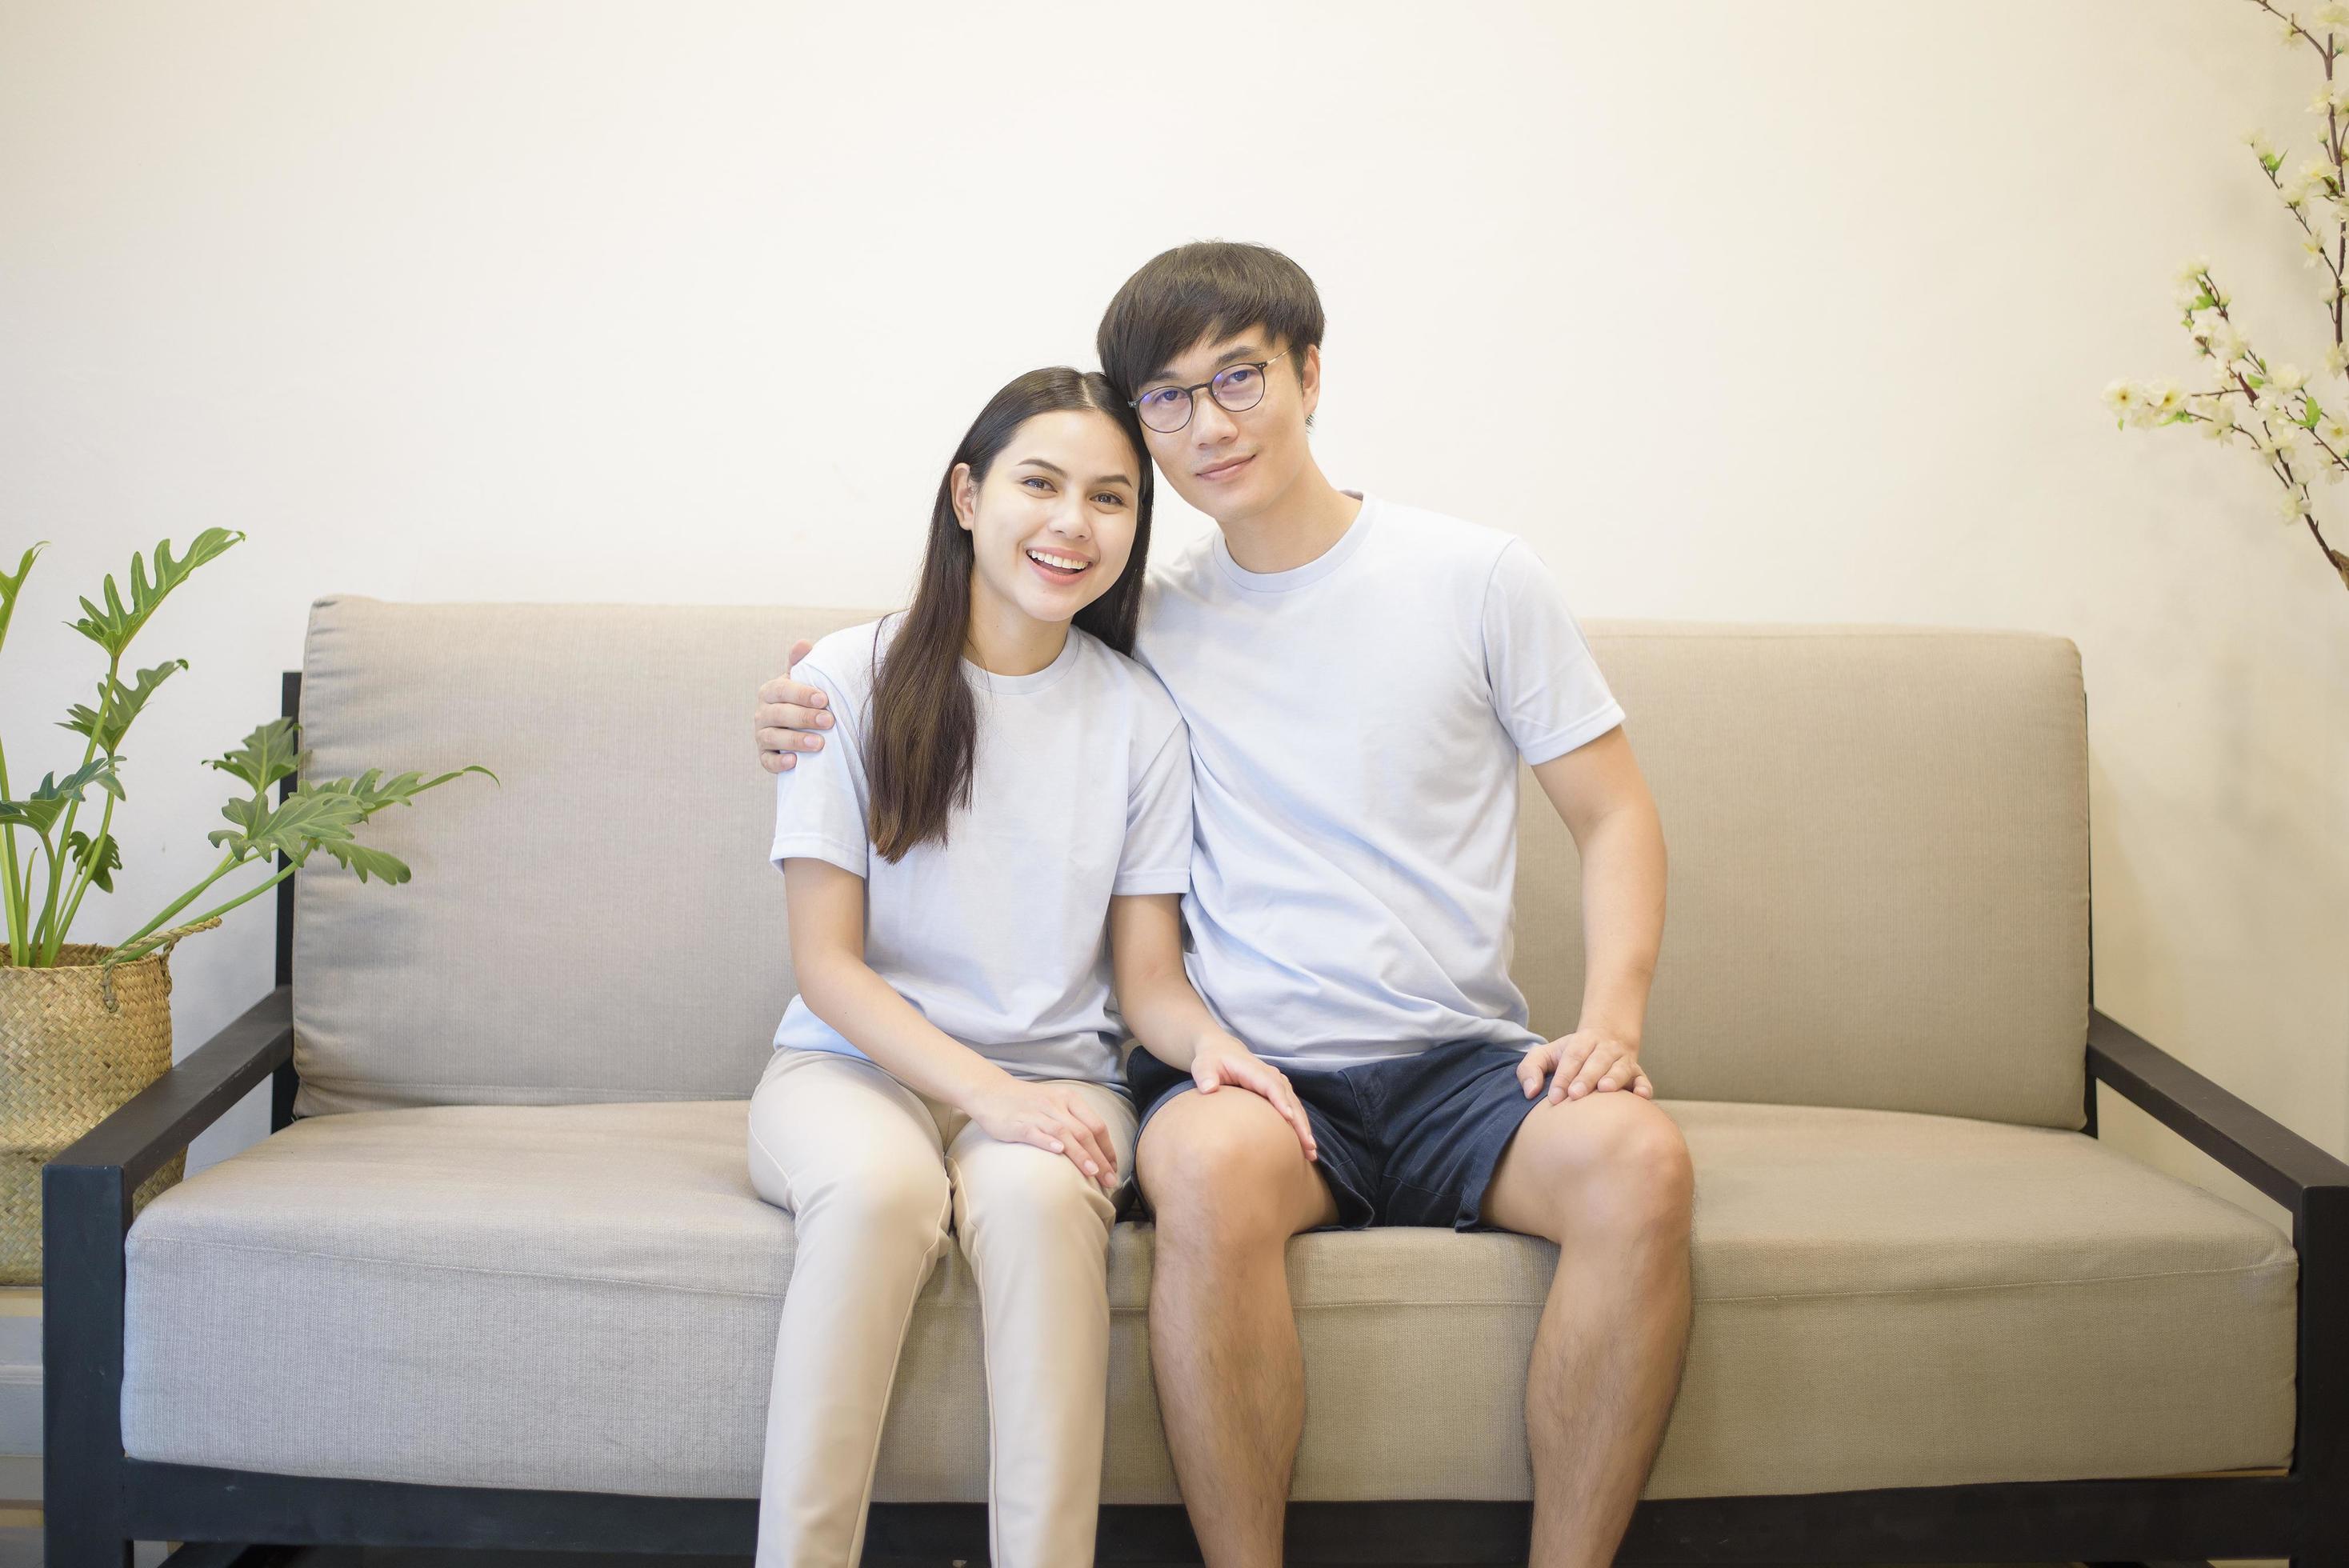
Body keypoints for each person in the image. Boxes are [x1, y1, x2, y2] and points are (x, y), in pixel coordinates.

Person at [753, 245, 1688, 1568]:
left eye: (1239, 378)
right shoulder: (1147, 623)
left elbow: (1616, 815)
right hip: (1251, 1076)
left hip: (1459, 1062)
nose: (1211, 424)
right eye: (1171, 400)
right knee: (1189, 1161)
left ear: (1311, 374)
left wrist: (1613, 1020)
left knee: (1642, 1162)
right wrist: (806, 701)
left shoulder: (1476, 578)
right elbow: (979, 663)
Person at [744, 364, 1315, 1568]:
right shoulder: (845, 680)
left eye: (1111, 499)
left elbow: (1149, 982)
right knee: (881, 1195)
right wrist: (989, 1095)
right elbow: (829, 968)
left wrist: (1221, 1054)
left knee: (1046, 1198)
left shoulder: (1139, 720)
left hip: (1057, 1084)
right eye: (1040, 484)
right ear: (966, 495)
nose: (1073, 522)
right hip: (851, 1067)